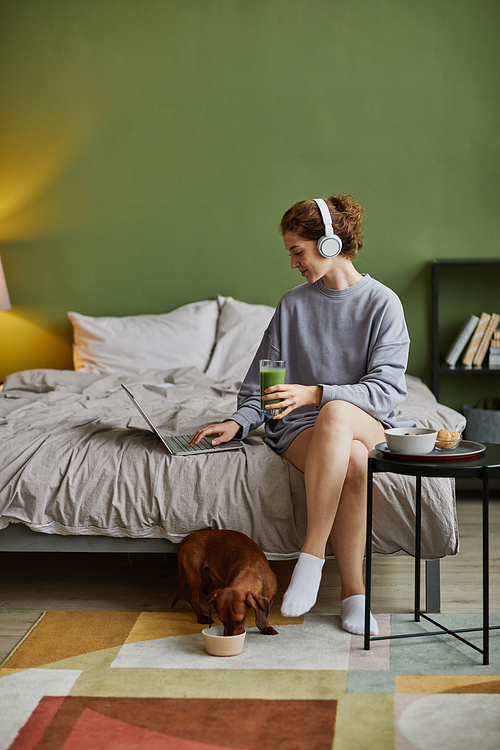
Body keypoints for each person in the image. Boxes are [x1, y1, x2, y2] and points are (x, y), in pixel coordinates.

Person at [189, 194, 415, 636]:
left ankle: (309, 558)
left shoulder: (383, 304)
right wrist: (239, 421)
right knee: (351, 459)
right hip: (299, 432)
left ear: (330, 244)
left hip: (363, 420)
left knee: (335, 413)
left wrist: (316, 393)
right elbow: (264, 385)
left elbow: (387, 392)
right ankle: (354, 594)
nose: (293, 263)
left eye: (298, 251)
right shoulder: (292, 305)